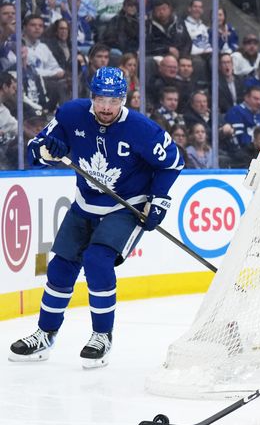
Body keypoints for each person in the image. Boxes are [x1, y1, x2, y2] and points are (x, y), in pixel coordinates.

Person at [9, 67, 183, 368]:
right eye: (101, 99)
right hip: (85, 203)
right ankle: (45, 333)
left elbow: (172, 163)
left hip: (125, 206)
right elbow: (34, 149)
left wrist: (159, 201)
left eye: (113, 100)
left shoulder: (143, 129)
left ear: (123, 100)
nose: (106, 107)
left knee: (97, 260)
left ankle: (102, 335)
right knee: (61, 266)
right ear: (92, 97)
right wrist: (49, 152)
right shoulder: (72, 114)